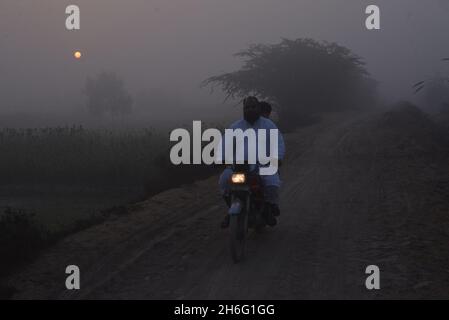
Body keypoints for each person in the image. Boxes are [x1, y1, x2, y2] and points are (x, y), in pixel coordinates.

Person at [218, 96, 285, 228]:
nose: (250, 110)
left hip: (263, 165)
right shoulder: (235, 126)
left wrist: (277, 158)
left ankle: (267, 209)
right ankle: (231, 209)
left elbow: (278, 143)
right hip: (239, 166)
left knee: (272, 184)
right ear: (243, 109)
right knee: (224, 180)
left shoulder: (268, 125)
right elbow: (225, 144)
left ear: (258, 108)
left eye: (253, 107)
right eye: (247, 107)